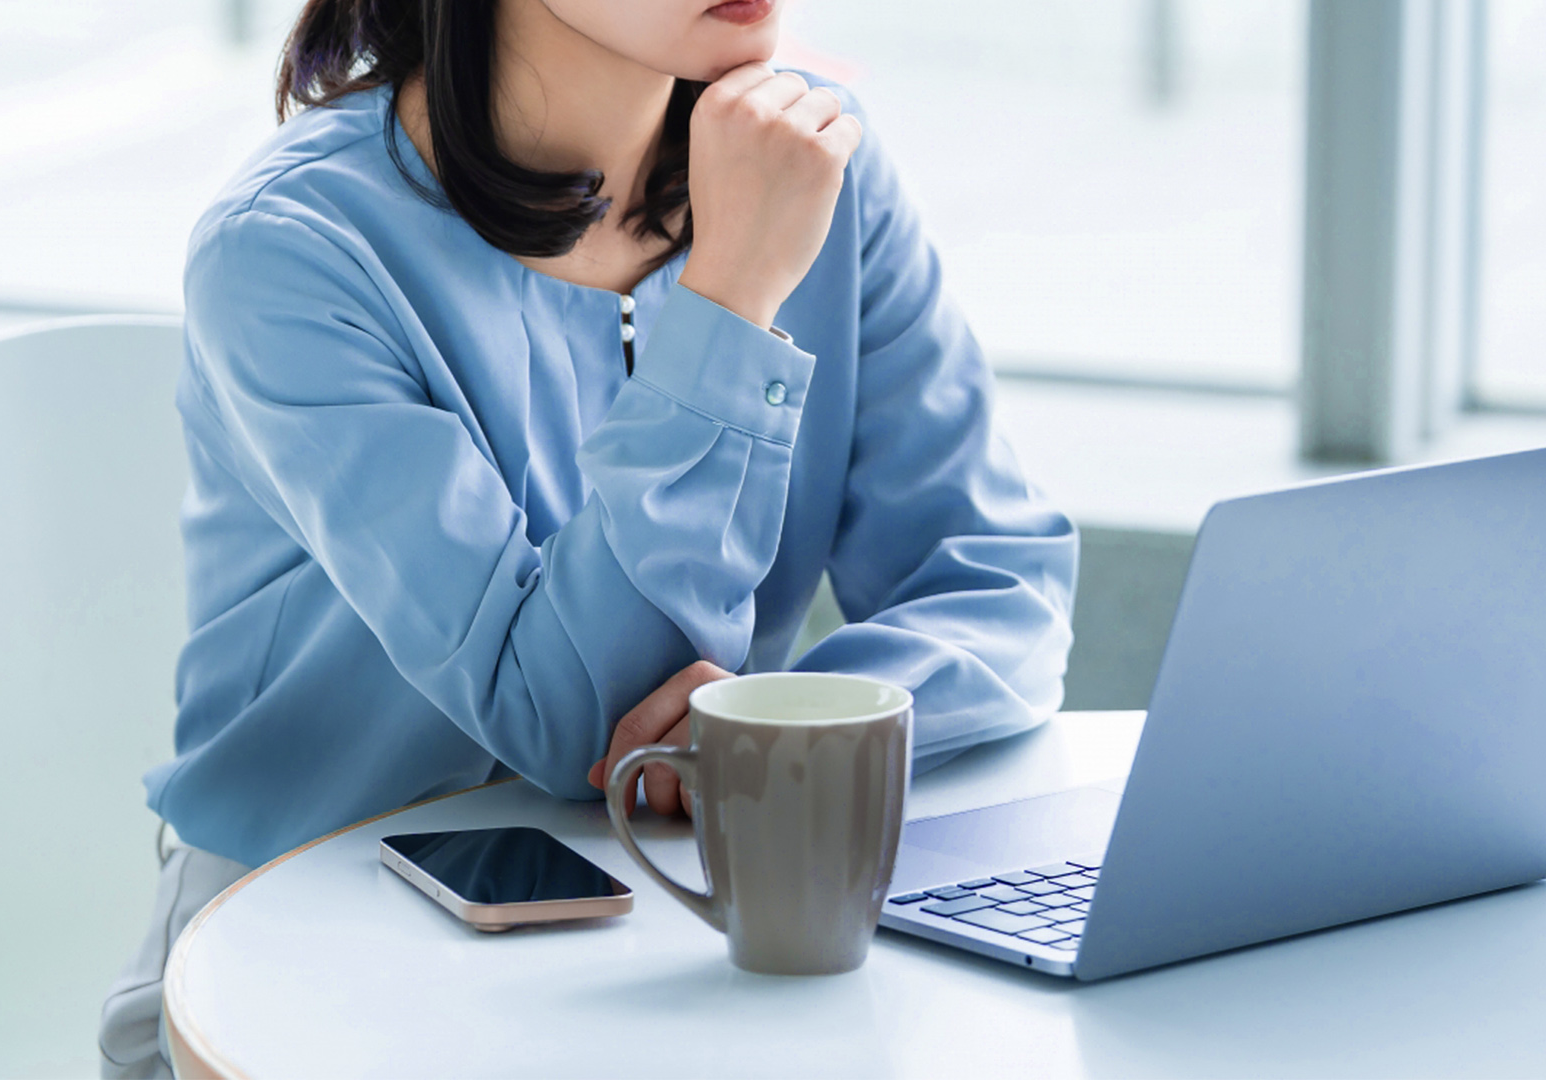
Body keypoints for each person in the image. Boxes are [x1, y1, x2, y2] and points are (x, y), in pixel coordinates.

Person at [100, 0, 1076, 1073]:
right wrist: (733, 297)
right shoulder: (292, 252)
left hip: (678, 940)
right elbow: (569, 720)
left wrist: (766, 737)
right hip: (295, 973)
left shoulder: (808, 163)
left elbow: (1001, 581)